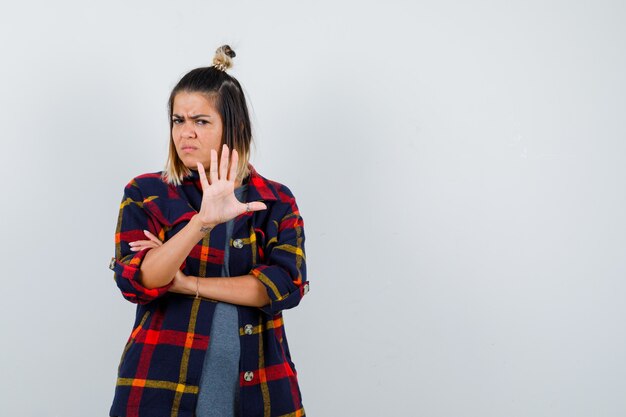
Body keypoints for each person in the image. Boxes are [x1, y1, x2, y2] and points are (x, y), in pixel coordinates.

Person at [108, 45, 309, 417]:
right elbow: (139, 280)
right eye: (177, 120)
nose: (186, 133)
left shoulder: (275, 201)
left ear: (236, 127)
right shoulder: (146, 192)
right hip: (158, 390)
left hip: (260, 389)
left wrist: (187, 284)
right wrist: (201, 222)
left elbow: (285, 286)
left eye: (200, 121)